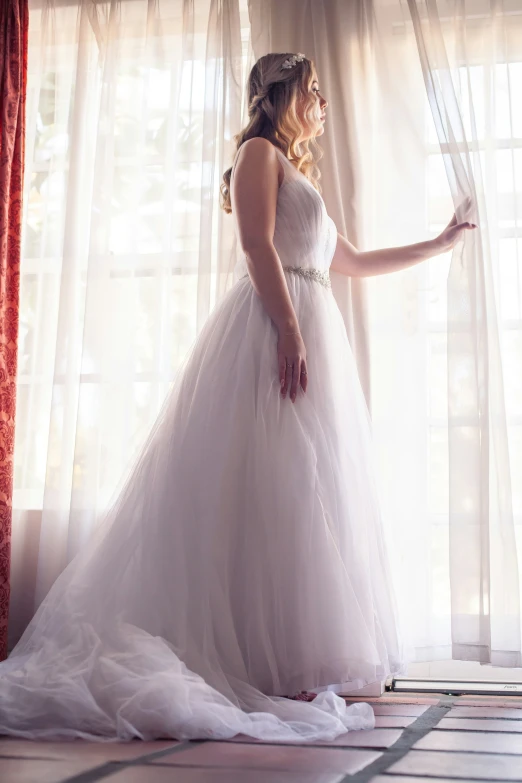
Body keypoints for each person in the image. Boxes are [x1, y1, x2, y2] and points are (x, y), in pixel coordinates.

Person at [0, 52, 476, 744]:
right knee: (267, 488)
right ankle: (259, 663)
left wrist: (439, 242)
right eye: (313, 92)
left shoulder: (297, 173)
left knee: (297, 496)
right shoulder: (258, 152)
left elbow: (354, 261)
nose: (321, 104)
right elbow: (255, 245)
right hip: (267, 334)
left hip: (306, 329)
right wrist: (287, 327)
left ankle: (280, 661)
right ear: (282, 94)